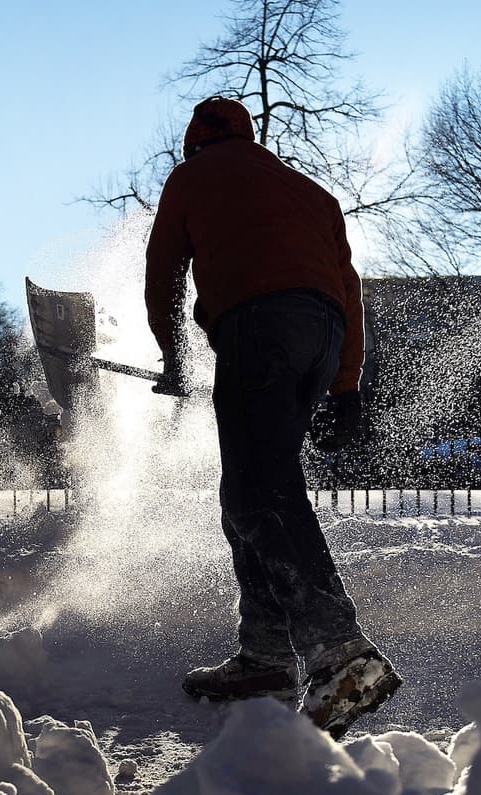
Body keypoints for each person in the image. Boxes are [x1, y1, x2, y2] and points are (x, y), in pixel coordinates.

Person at [143, 95, 400, 737]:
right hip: (323, 334)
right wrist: (345, 389)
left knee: (262, 491)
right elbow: (349, 289)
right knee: (254, 490)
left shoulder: (191, 176)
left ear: (195, 142)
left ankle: (340, 652)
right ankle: (266, 656)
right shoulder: (309, 192)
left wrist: (173, 357)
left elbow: (164, 275)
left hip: (258, 326)